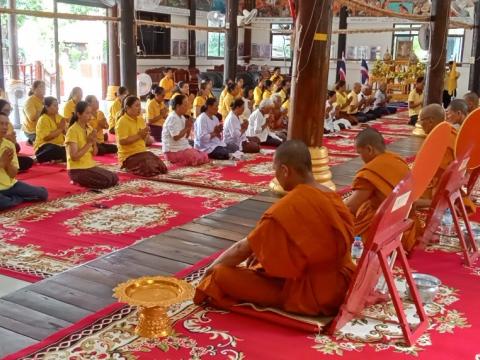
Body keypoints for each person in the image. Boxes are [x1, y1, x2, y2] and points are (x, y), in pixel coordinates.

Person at [194, 140, 356, 316]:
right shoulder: (331, 195)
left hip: (310, 295)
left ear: (285, 171)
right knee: (260, 258)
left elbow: (242, 249)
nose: (275, 176)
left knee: (220, 274)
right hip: (343, 283)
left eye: (275, 170)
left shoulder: (289, 205)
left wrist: (209, 271)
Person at [344, 128, 410, 241]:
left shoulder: (370, 173)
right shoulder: (397, 159)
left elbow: (350, 207)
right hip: (405, 221)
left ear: (369, 149)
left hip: (383, 230)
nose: (360, 158)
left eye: (360, 153)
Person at [0, 112, 48, 210]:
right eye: (1, 124)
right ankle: (17, 199)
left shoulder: (9, 145)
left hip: (11, 185)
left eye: (6, 124)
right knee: (3, 203)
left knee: (42, 194)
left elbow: (13, 174)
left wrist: (8, 163)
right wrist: (2, 163)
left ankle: (13, 199)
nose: (5, 127)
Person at [65, 102, 118, 189]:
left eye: (90, 113)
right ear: (78, 114)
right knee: (106, 181)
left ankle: (81, 180)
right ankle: (76, 179)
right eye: (87, 113)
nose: (90, 116)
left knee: (113, 177)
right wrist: (89, 142)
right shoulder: (72, 131)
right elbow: (74, 157)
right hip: (77, 169)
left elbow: (94, 153)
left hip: (89, 165)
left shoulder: (89, 128)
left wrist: (93, 142)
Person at [116, 96, 168, 177]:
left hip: (142, 152)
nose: (139, 108)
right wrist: (139, 135)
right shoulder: (122, 121)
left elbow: (145, 141)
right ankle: (127, 167)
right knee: (149, 168)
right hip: (128, 156)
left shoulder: (140, 119)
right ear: (127, 107)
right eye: (136, 106)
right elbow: (122, 141)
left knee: (162, 167)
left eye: (140, 105)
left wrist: (146, 135)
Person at [418, 104, 456, 201]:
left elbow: (436, 171)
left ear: (430, 121)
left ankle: (429, 202)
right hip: (454, 182)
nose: (420, 124)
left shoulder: (439, 139)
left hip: (440, 187)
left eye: (421, 120)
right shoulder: (451, 131)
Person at [162, 94, 210, 166]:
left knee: (204, 155)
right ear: (178, 106)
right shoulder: (172, 118)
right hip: (173, 151)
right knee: (195, 158)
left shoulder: (182, 117)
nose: (187, 107)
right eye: (185, 104)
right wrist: (186, 127)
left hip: (182, 147)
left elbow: (186, 137)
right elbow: (176, 137)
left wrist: (189, 126)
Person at [0, 99, 34, 171]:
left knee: (28, 161)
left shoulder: (9, 124)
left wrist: (12, 141)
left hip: (6, 150)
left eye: (9, 111)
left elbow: (14, 147)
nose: (8, 113)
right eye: (6, 110)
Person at [34, 97, 67, 163]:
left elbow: (66, 133)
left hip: (60, 145)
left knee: (72, 148)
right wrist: (60, 129)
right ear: (46, 107)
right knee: (53, 148)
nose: (57, 107)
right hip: (44, 147)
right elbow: (47, 137)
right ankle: (37, 159)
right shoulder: (43, 119)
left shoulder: (59, 117)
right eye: (55, 105)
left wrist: (64, 129)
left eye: (57, 105)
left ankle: (56, 159)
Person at [22, 80, 45, 145]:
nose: (43, 89)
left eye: (44, 87)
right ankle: (31, 140)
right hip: (32, 130)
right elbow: (32, 118)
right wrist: (43, 108)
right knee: (46, 143)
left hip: (44, 127)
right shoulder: (29, 101)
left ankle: (31, 141)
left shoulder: (44, 99)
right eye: (41, 87)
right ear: (34, 89)